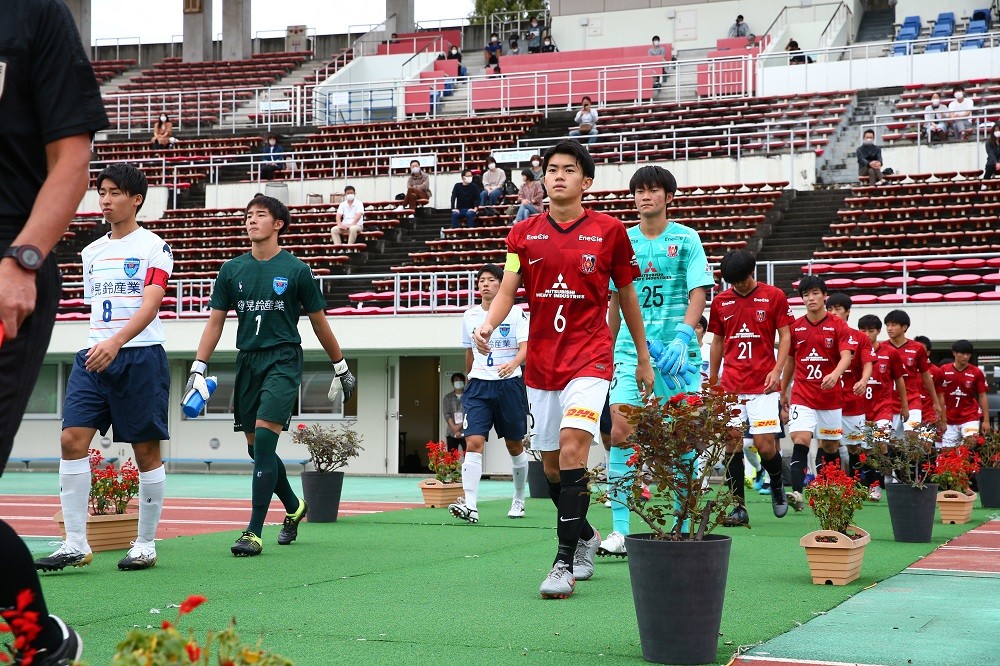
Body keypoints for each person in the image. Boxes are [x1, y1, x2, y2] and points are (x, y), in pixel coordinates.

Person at [472, 140, 654, 599]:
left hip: (591, 357)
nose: (558, 176)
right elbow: (509, 287)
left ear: (585, 181)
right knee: (552, 467)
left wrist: (643, 357)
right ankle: (587, 536)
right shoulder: (523, 235)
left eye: (568, 170)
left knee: (574, 449)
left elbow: (627, 297)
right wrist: (489, 324)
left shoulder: (611, 231)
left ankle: (562, 562)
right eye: (551, 169)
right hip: (543, 365)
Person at [0, 0, 108, 662]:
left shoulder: (34, 14)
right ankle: (43, 641)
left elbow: (72, 157)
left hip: (7, 267)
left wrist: (23, 260)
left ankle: (38, 641)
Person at [189, 195, 356, 557]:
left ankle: (253, 531)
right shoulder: (231, 270)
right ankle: (295, 505)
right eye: (247, 216)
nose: (251, 221)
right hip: (247, 360)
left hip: (283, 360)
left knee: (264, 443)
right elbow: (215, 323)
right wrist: (197, 367)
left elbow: (319, 323)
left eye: (259, 215)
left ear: (278, 224)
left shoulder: (297, 270)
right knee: (255, 447)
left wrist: (341, 367)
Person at [34, 164, 171, 577]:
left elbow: (149, 306)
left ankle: (145, 544)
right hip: (93, 355)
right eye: (102, 192)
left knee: (145, 452)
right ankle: (76, 543)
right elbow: (99, 310)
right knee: (71, 439)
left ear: (137, 200)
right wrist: (103, 343)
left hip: (139, 357)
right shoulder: (91, 252)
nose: (106, 199)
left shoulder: (154, 247)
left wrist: (117, 343)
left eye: (114, 192)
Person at [598, 165, 713, 557]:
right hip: (631, 352)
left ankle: (682, 522)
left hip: (679, 358)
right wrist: (609, 348)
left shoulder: (687, 239)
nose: (646, 197)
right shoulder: (622, 240)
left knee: (682, 438)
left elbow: (699, 290)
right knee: (620, 433)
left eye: (653, 190)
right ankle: (620, 531)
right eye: (640, 191)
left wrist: (684, 335)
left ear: (668, 196)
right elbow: (615, 300)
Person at [708, 249, 793, 525]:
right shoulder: (721, 301)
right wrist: (713, 380)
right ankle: (738, 507)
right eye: (733, 282)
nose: (739, 286)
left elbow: (786, 335)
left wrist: (777, 370)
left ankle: (778, 484)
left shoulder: (773, 296)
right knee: (731, 443)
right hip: (731, 385)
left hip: (763, 385)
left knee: (764, 445)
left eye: (742, 280)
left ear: (751, 272)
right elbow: (718, 342)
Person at [449, 265, 530, 524]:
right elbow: (469, 352)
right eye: (482, 281)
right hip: (480, 387)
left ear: (501, 284)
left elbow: (526, 348)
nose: (485, 284)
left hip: (510, 385)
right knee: (473, 442)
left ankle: (519, 497)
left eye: (491, 280)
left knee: (514, 445)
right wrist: (471, 375)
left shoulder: (517, 313)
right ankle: (470, 505)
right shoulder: (469, 315)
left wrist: (514, 364)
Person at [780, 276, 857, 511]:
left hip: (830, 396)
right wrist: (783, 390)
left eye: (815, 293)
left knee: (830, 446)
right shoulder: (796, 327)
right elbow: (791, 360)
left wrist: (835, 374)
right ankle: (796, 493)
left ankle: (829, 490)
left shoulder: (838, 325)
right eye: (805, 294)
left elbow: (846, 355)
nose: (810, 298)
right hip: (802, 394)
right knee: (800, 440)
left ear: (824, 296)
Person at [825, 293, 874, 483]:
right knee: (827, 442)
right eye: (830, 309)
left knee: (854, 446)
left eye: (838, 309)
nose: (833, 313)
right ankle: (832, 482)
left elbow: (868, 363)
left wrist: (863, 381)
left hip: (851, 400)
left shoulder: (860, 337)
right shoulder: (822, 332)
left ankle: (854, 483)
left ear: (847, 312)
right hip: (827, 398)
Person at [858, 314, 908, 500]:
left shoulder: (890, 353)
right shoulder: (855, 353)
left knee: (880, 445)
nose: (867, 334)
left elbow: (899, 379)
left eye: (871, 331)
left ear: (878, 331)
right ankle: (874, 485)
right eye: (863, 331)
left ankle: (887, 477)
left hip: (883, 409)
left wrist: (904, 405)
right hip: (861, 410)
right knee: (866, 449)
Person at [883, 309, 942, 434]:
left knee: (912, 438)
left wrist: (935, 402)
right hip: (889, 403)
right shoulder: (882, 348)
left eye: (893, 325)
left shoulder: (917, 348)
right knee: (892, 445)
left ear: (904, 327)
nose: (889, 328)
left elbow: (926, 375)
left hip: (912, 401)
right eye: (887, 325)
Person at [935, 340, 991, 448]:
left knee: (971, 441)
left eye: (968, 354)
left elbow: (982, 396)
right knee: (947, 452)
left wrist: (986, 420)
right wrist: (939, 417)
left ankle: (963, 460)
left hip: (969, 416)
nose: (966, 357)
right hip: (948, 418)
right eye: (962, 353)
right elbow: (938, 395)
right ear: (954, 353)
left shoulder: (976, 372)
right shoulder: (943, 370)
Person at [443, 372, 466, 452]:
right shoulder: (447, 398)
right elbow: (447, 414)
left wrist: (459, 426)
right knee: (451, 459)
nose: (458, 382)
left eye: (460, 380)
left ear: (464, 382)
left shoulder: (469, 396)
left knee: (468, 457)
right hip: (451, 432)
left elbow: (470, 414)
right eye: (456, 380)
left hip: (466, 432)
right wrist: (454, 428)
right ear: (453, 383)